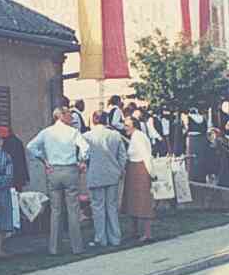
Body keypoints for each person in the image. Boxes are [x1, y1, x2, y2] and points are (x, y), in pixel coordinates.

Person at [27, 107, 90, 256]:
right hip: (70, 170)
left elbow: (31, 146)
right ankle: (77, 247)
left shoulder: (46, 132)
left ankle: (54, 247)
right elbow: (86, 148)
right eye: (68, 114)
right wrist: (82, 160)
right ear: (61, 116)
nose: (71, 117)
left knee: (56, 211)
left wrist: (44, 160)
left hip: (53, 170)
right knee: (73, 209)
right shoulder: (73, 132)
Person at [83, 112, 128, 247]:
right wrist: (120, 169)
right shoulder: (115, 135)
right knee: (112, 207)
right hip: (112, 174)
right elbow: (123, 156)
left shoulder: (87, 137)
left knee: (98, 208)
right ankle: (115, 237)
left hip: (95, 175)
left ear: (93, 120)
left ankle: (100, 238)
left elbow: (84, 156)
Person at [124, 118, 156, 241]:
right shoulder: (135, 136)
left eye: (127, 125)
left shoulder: (139, 137)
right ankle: (135, 231)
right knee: (133, 200)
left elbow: (146, 156)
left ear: (134, 126)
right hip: (134, 169)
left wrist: (151, 173)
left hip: (140, 169)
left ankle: (147, 233)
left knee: (143, 201)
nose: (125, 127)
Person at [185, 107, 210, 183]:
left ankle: (192, 177)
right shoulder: (202, 118)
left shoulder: (188, 117)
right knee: (201, 159)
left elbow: (186, 128)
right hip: (202, 139)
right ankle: (201, 177)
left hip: (192, 140)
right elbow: (206, 129)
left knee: (192, 159)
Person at [2, 125, 31, 191]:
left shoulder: (6, 142)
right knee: (18, 193)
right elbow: (23, 160)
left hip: (9, 172)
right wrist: (26, 176)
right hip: (19, 173)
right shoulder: (18, 142)